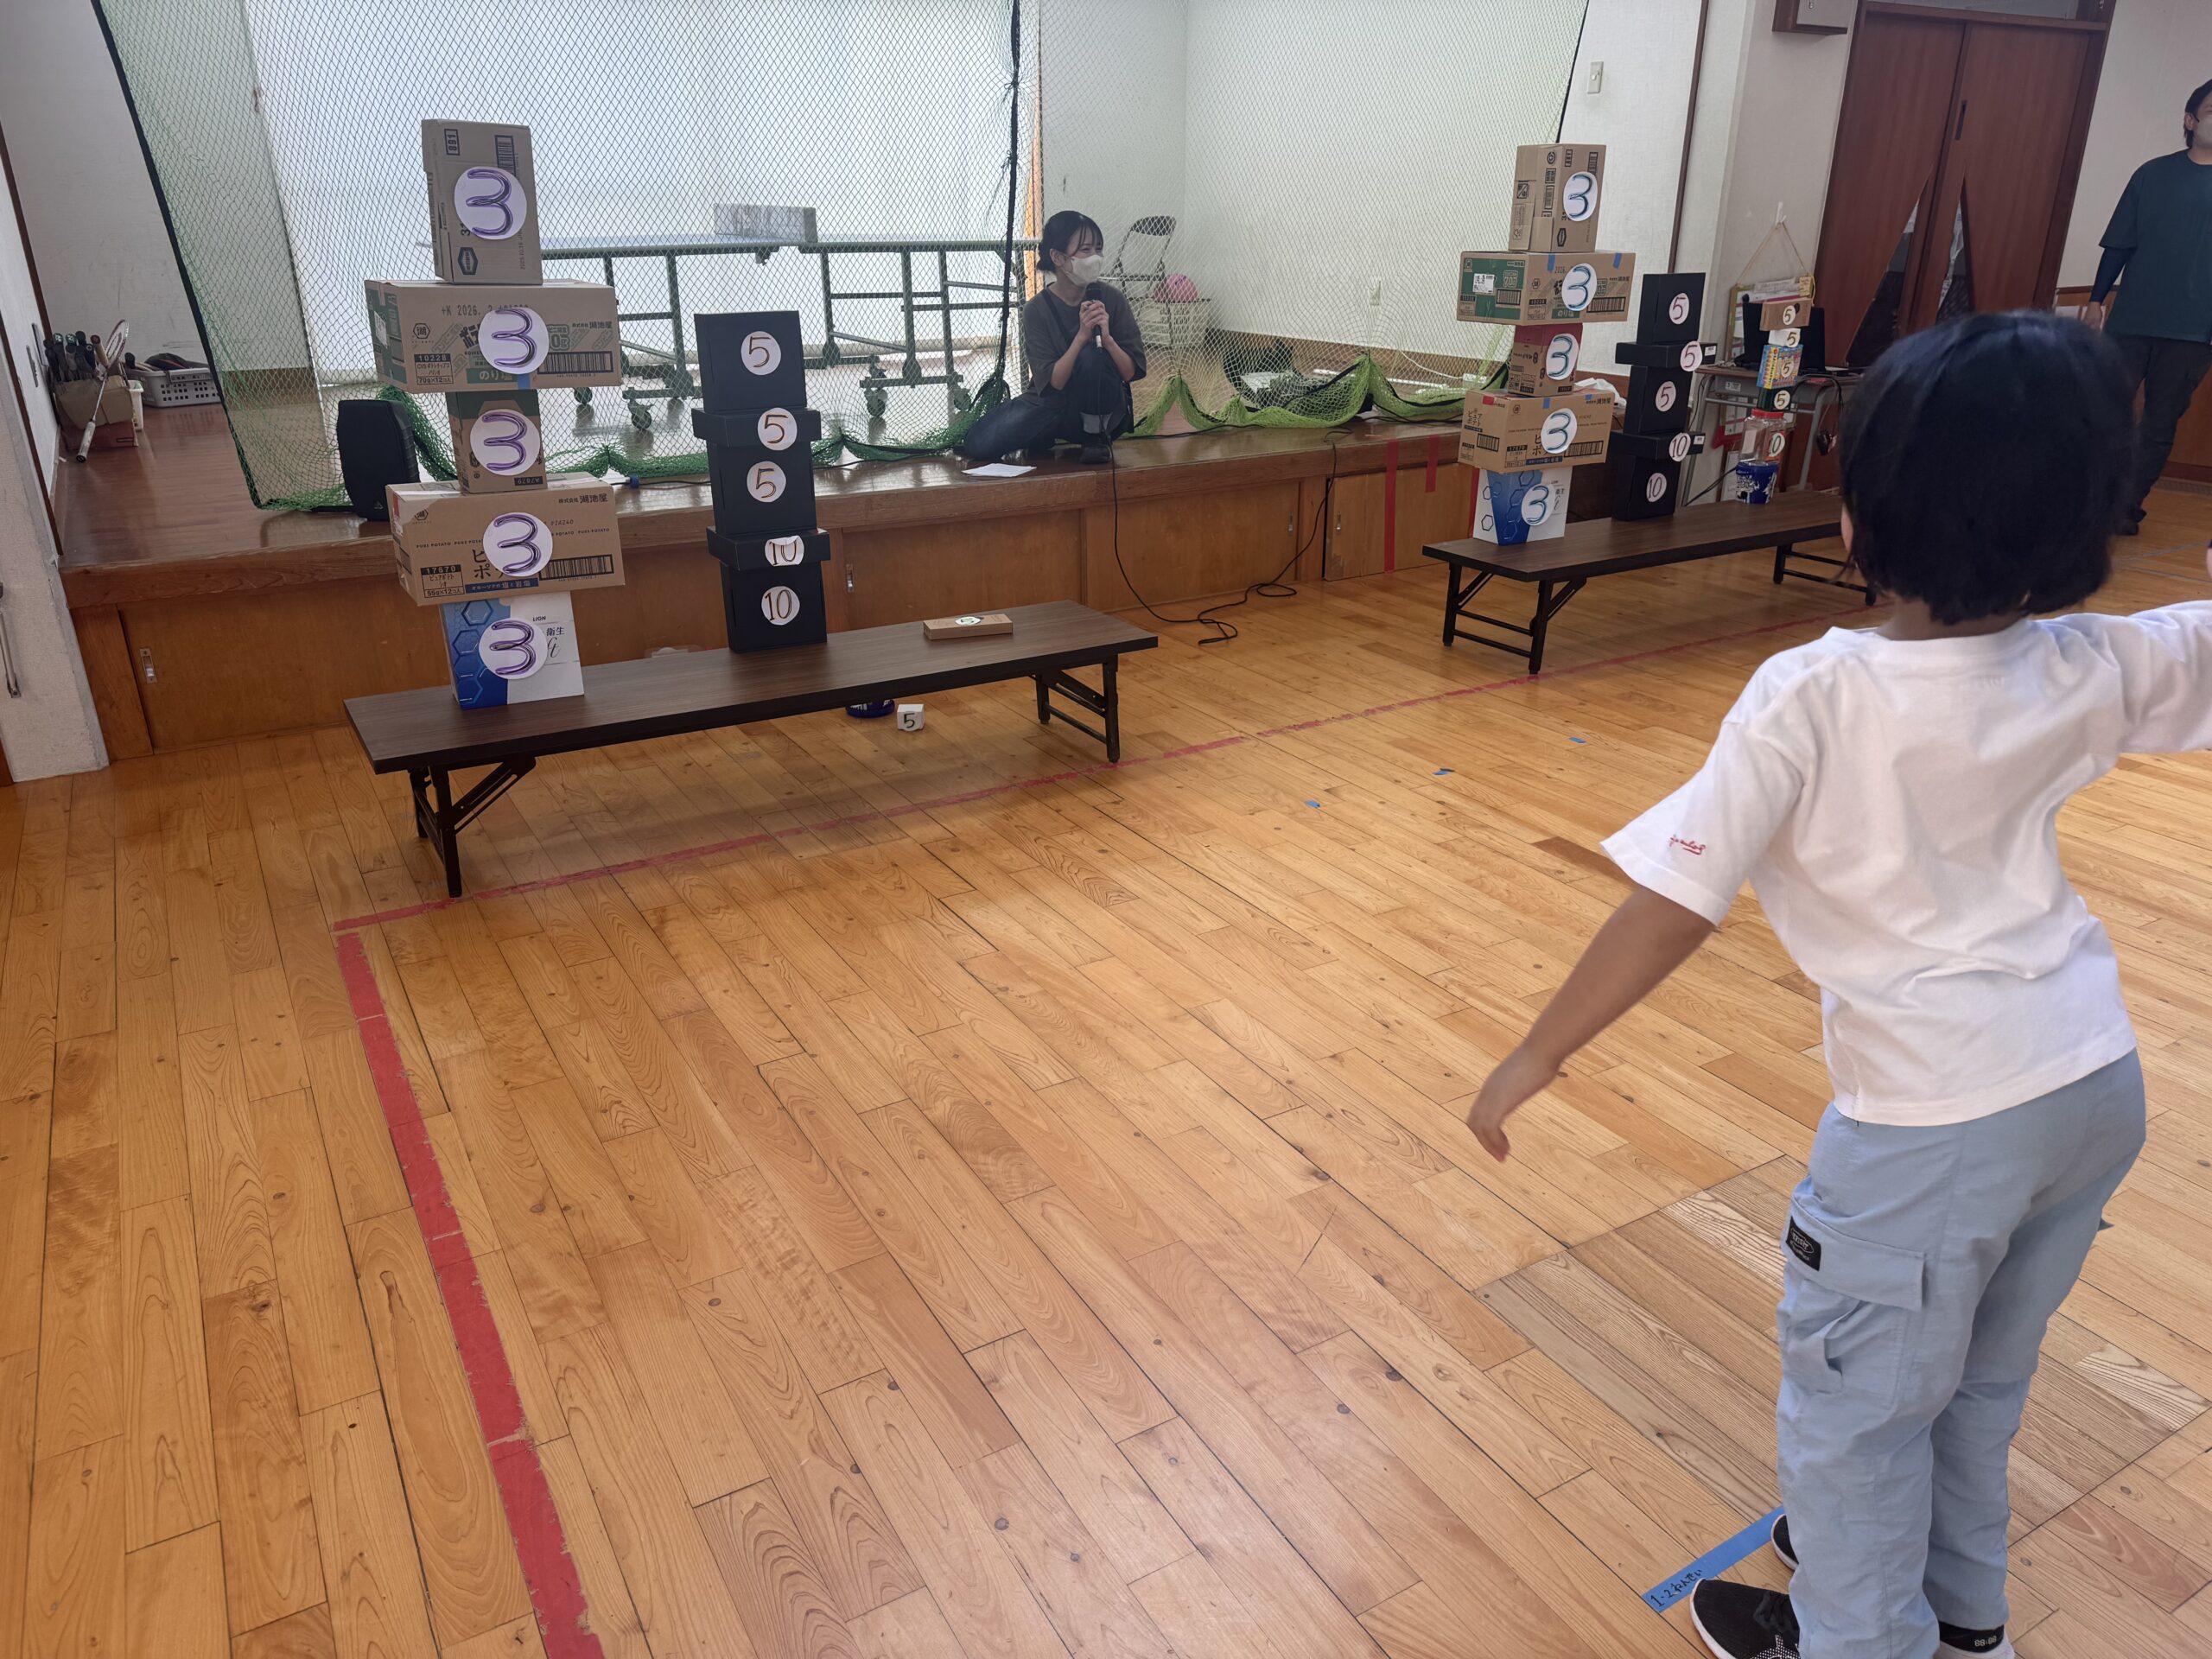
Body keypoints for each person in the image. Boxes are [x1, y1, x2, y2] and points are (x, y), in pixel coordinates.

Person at [1465, 311, 2200, 1659]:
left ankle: (1859, 1643)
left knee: (1857, 1426)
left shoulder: (1808, 695)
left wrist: (1537, 1053)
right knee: (1976, 1386)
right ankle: (1964, 1630)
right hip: (2092, 1086)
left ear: (1863, 517)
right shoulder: (2089, 663)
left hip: (1932, 1128)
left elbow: (1675, 903)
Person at [2088, 76, 2212, 533]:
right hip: (2133, 319)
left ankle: (2124, 506)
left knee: (2160, 424)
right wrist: (2096, 298)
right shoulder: (2152, 174)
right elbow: (2120, 243)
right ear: (2190, 119)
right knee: (2104, 412)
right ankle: (2087, 499)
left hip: (2196, 330)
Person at [960, 209, 1146, 466]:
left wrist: (1108, 340)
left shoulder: (1112, 298)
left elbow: (1129, 373)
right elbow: (1055, 383)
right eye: (1085, 250)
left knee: (1094, 356)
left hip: (1103, 409)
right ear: (1058, 257)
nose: (1095, 257)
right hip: (1053, 404)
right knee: (979, 443)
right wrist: (1081, 336)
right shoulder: (1036, 309)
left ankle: (1094, 438)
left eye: (1098, 249)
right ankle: (1044, 433)